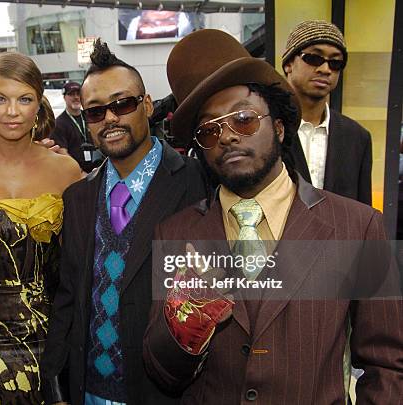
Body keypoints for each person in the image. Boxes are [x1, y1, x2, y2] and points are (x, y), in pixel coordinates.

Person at [143, 29, 403, 404]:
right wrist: (189, 315)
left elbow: (388, 365)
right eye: (210, 130)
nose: (228, 137)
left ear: (279, 127)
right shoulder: (176, 233)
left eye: (244, 119)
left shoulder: (358, 225)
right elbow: (161, 372)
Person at [41, 39, 209, 405]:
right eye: (96, 112)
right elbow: (68, 296)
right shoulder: (79, 197)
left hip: (165, 392)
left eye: (123, 104)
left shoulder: (198, 182)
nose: (111, 118)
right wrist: (55, 383)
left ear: (147, 106)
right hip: (88, 392)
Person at [0, 51, 82, 405]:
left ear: (39, 104)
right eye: (0, 98)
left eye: (24, 99)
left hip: (55, 340)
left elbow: (81, 264)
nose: (12, 112)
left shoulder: (66, 170)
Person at [283, 20, 372, 205]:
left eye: (335, 63)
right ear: (289, 64)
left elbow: (363, 211)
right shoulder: (264, 127)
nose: (325, 69)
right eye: (314, 58)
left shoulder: (357, 136)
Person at [52, 81, 102, 173]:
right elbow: (63, 153)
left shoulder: (90, 116)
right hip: (76, 173)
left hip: (98, 168)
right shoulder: (59, 123)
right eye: (71, 94)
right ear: (64, 97)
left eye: (78, 94)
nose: (76, 97)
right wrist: (81, 173)